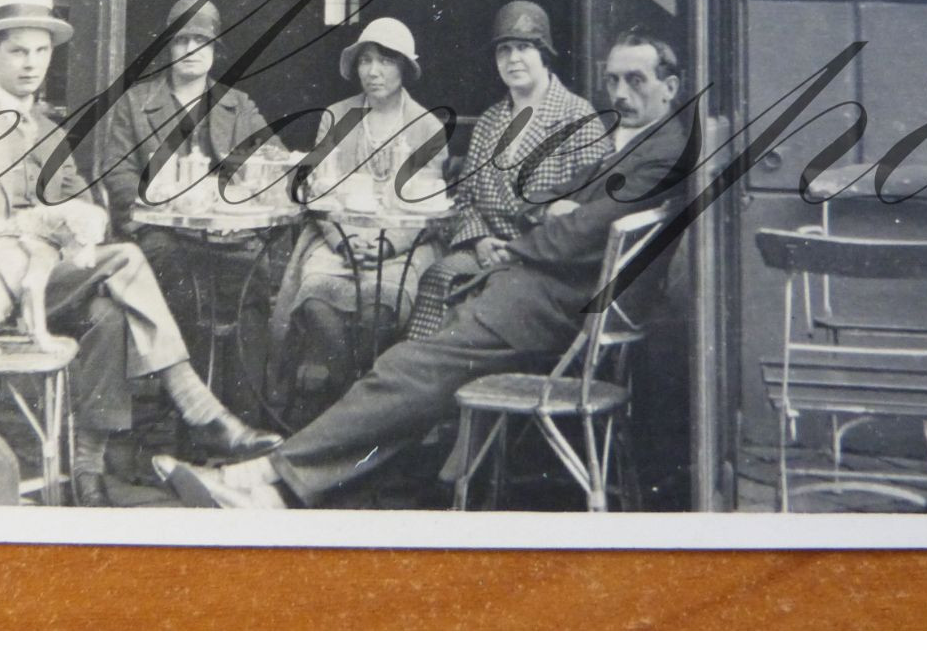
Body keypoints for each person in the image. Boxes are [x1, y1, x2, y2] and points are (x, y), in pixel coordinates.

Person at [152, 30, 691, 510]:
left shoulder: (662, 150)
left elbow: (583, 231)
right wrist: (553, 209)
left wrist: (523, 244)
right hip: (550, 296)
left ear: (671, 85)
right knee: (419, 380)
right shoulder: (639, 138)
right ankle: (281, 487)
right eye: (614, 80)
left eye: (636, 80)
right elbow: (563, 206)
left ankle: (266, 472)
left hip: (554, 306)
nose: (620, 94)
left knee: (407, 368)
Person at [0, 0, 279, 507]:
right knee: (127, 259)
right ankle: (198, 405)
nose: (32, 64)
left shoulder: (50, 129)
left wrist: (88, 217)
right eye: (17, 51)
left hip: (41, 283)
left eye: (41, 51)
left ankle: (86, 471)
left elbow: (80, 202)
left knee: (111, 312)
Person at [268, 17, 449, 421]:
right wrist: (342, 240)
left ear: (404, 67)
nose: (373, 71)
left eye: (385, 61)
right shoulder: (335, 117)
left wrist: (387, 243)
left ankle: (350, 413)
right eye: (366, 61)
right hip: (335, 238)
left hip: (404, 241)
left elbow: (426, 207)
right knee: (315, 299)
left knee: (379, 309)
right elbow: (316, 192)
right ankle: (355, 404)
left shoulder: (427, 128)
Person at [404, 0, 611, 339]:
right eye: (504, 50)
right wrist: (482, 239)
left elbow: (587, 218)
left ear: (544, 53)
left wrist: (519, 251)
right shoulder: (489, 122)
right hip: (484, 254)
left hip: (545, 265)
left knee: (488, 300)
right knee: (439, 276)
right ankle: (430, 381)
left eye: (524, 47)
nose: (513, 59)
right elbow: (465, 200)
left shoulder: (578, 118)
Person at [97, 0, 271, 392]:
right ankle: (189, 407)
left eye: (201, 42)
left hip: (230, 236)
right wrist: (156, 203)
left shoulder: (236, 105)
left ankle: (246, 407)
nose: (191, 51)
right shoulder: (137, 103)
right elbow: (117, 172)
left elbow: (270, 163)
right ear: (168, 49)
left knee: (254, 277)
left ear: (215, 50)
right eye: (181, 41)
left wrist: (241, 204)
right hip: (162, 235)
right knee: (180, 280)